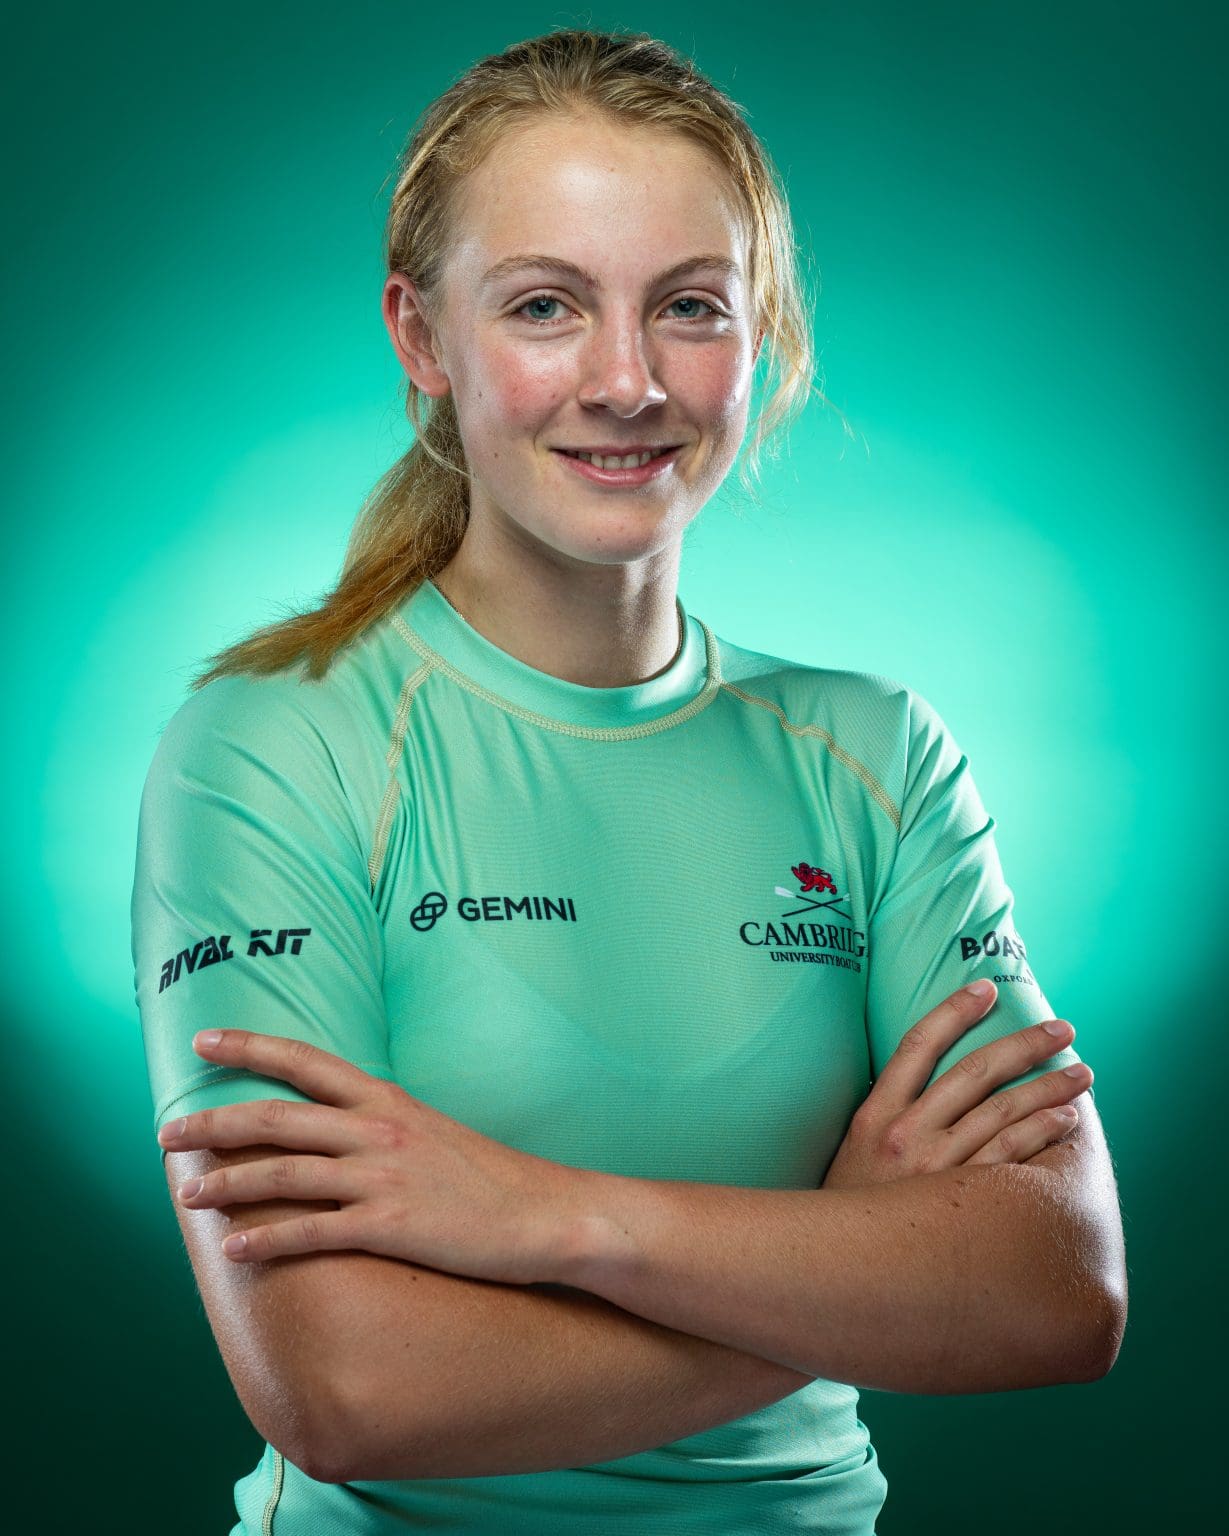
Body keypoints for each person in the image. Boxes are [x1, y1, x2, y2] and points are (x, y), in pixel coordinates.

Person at [130, 27, 1127, 1536]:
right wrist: (845, 1260)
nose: (627, 381)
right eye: (545, 305)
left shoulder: (875, 753)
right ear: (421, 337)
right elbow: (345, 1389)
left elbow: (1055, 1290)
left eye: (688, 307)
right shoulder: (275, 746)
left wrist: (554, 1217)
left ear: (759, 337)